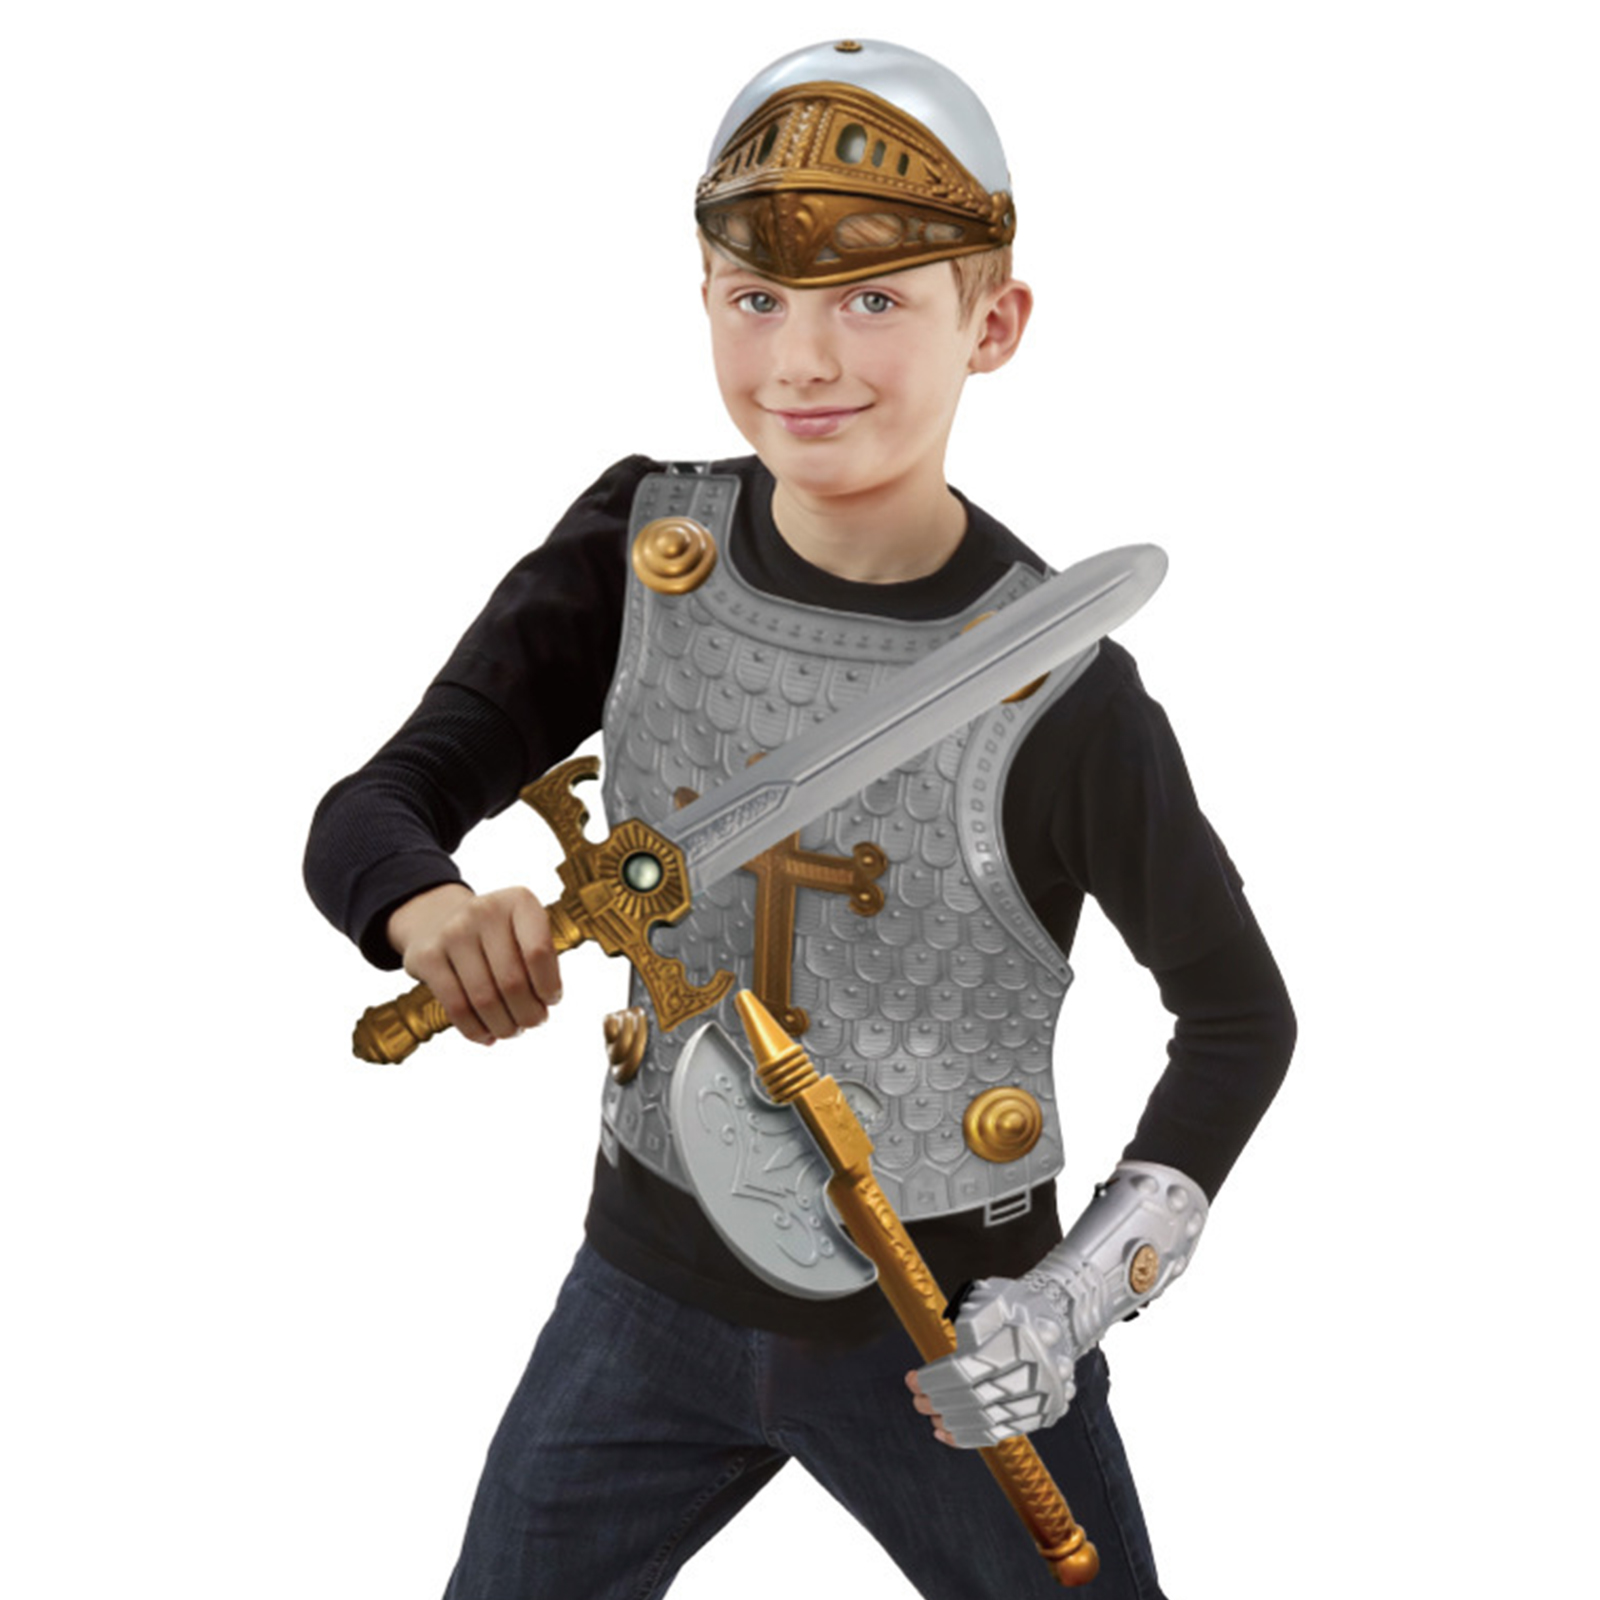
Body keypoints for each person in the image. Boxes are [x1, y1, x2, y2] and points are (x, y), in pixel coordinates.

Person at [305, 38, 1295, 1599]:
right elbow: (375, 806)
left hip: (941, 1320)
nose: (804, 359)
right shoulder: (641, 556)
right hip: (644, 1290)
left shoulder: (1062, 691)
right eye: (756, 297)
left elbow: (1241, 1021)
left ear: (994, 322)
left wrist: (1068, 1302)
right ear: (703, 295)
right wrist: (428, 908)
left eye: (874, 299)